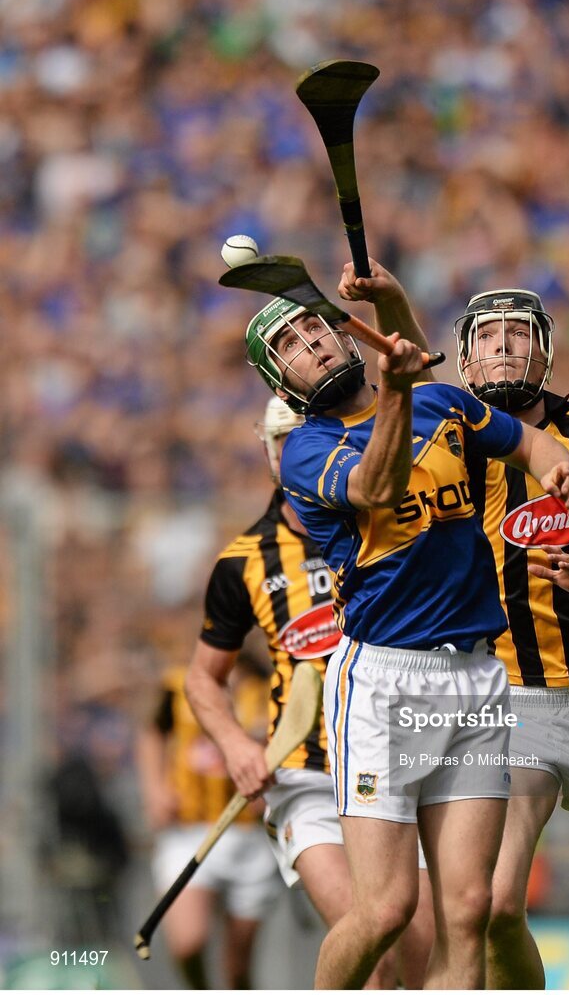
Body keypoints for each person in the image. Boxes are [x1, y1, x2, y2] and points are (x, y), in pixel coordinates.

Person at [338, 264, 569, 989]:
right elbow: (418, 377)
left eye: (518, 333)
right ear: (465, 355)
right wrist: (396, 302)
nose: (504, 348)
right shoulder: (458, 433)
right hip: (507, 702)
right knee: (496, 905)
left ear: (546, 350)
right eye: (489, 335)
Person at [242, 281, 569, 989]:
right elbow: (375, 486)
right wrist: (399, 389)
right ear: (281, 380)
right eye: (289, 348)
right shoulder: (309, 450)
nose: (310, 346)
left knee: (468, 909)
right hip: (382, 685)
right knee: (387, 911)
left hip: (474, 680)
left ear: (347, 333)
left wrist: (552, 464)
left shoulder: (443, 402)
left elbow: (521, 439)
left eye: (315, 329)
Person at [184, 396, 432, 989]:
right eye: (283, 442)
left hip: (401, 762)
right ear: (269, 454)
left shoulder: (393, 525)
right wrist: (237, 748)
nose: (297, 453)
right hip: (308, 775)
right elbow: (202, 678)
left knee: (421, 957)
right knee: (372, 945)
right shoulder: (243, 561)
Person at [137, 651, 282, 989]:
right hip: (190, 831)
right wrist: (155, 789)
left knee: (238, 967)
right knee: (188, 941)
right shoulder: (177, 683)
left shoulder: (269, 683)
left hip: (250, 837)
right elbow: (151, 732)